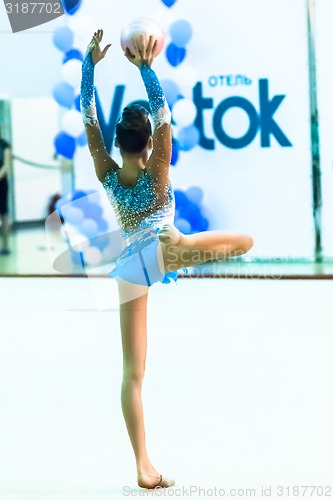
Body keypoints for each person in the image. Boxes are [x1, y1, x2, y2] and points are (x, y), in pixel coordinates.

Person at [80, 29, 254, 489]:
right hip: (164, 246)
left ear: (120, 146)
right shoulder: (159, 170)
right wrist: (144, 68)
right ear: (149, 145)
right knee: (244, 243)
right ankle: (185, 250)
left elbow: (90, 121)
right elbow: (164, 116)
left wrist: (88, 66)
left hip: (130, 270)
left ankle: (143, 465)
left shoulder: (107, 172)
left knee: (132, 374)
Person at [0, 127, 11, 255]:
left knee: (4, 214)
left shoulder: (4, 145)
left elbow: (6, 165)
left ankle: (6, 245)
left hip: (2, 183)